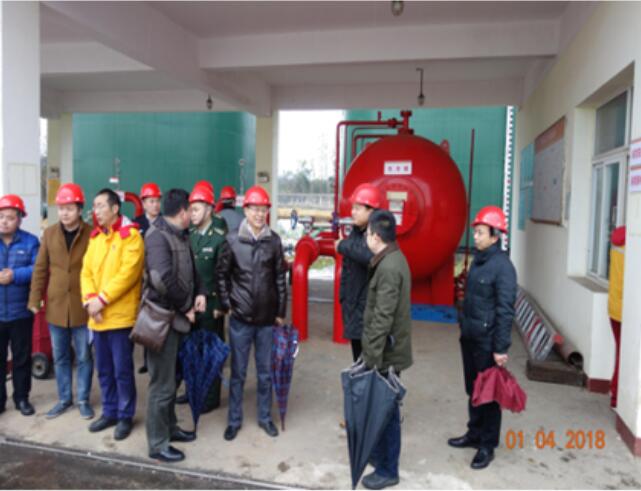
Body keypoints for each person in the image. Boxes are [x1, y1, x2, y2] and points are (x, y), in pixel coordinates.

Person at [448, 205, 517, 470]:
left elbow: (505, 310)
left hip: (488, 343)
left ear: (495, 236)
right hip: (470, 337)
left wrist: (500, 348)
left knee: (489, 395)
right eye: (475, 232)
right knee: (473, 390)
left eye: (480, 233)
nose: (475, 237)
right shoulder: (479, 261)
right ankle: (474, 433)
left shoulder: (503, 268)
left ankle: (487, 445)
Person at [217, 185, 287, 441]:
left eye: (263, 209)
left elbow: (280, 278)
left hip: (267, 320)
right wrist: (228, 304)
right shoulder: (232, 240)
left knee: (265, 373)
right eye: (254, 209)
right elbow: (222, 276)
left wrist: (280, 311)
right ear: (245, 210)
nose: (259, 214)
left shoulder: (274, 241)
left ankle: (265, 418)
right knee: (238, 373)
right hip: (241, 319)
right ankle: (234, 420)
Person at [144, 189, 207, 463]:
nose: (192, 215)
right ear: (182, 212)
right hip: (161, 320)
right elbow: (161, 279)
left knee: (171, 380)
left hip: (177, 319)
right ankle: (157, 444)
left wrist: (200, 292)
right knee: (161, 385)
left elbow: (192, 269)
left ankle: (170, 428)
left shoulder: (181, 234)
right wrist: (187, 306)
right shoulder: (157, 236)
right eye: (190, 211)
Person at [81, 188, 144, 441]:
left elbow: (128, 275)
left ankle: (125, 415)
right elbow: (86, 272)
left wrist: (101, 301)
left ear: (115, 208)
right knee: (104, 370)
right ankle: (109, 412)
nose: (95, 211)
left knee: (122, 370)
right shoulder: (96, 238)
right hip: (96, 318)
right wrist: (90, 301)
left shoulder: (131, 237)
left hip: (119, 318)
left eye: (100, 206)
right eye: (94, 206)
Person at [28, 183, 94, 420]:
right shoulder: (49, 234)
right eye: (61, 208)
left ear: (79, 209)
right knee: (60, 356)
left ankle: (83, 399)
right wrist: (35, 298)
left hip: (83, 304)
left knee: (84, 356)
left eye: (69, 208)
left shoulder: (91, 234)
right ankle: (64, 399)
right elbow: (40, 269)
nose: (64, 213)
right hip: (56, 305)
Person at [360, 209, 412, 490]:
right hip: (386, 350)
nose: (366, 238)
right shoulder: (391, 258)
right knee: (381, 409)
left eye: (367, 233)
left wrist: (370, 357)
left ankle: (388, 469)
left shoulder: (389, 268)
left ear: (376, 237)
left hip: (386, 354)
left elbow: (383, 317)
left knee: (388, 412)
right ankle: (380, 456)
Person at [0, 195, 39, 416]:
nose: (4, 221)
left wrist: (14, 275)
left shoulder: (30, 242)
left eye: (10, 217)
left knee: (21, 359)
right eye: (1, 217)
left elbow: (38, 269)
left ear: (20, 219)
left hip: (21, 312)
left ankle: (22, 398)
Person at [189, 184, 226, 412]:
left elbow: (224, 275)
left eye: (196, 209)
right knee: (193, 351)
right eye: (191, 209)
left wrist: (221, 305)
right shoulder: (190, 235)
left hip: (212, 306)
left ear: (209, 209)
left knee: (211, 353)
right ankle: (194, 391)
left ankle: (211, 397)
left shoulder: (219, 239)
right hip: (192, 306)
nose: (192, 213)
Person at [336, 183, 382, 362]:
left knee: (370, 362)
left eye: (357, 208)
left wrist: (342, 245)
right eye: (352, 207)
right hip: (355, 309)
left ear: (371, 211)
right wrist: (343, 299)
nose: (352, 212)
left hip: (369, 311)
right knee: (358, 359)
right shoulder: (357, 232)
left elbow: (369, 256)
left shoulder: (378, 234)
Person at [134, 182, 162, 374]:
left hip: (159, 277)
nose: (155, 205)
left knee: (159, 318)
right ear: (143, 203)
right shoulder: (136, 224)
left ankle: (158, 360)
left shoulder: (165, 223)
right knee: (145, 320)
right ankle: (147, 360)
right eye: (151, 201)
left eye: (157, 201)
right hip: (141, 278)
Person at [608, 225, 626, 408]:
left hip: (615, 307)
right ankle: (616, 398)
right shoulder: (634, 241)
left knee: (621, 353)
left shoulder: (618, 235)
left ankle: (615, 393)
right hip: (626, 310)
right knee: (625, 355)